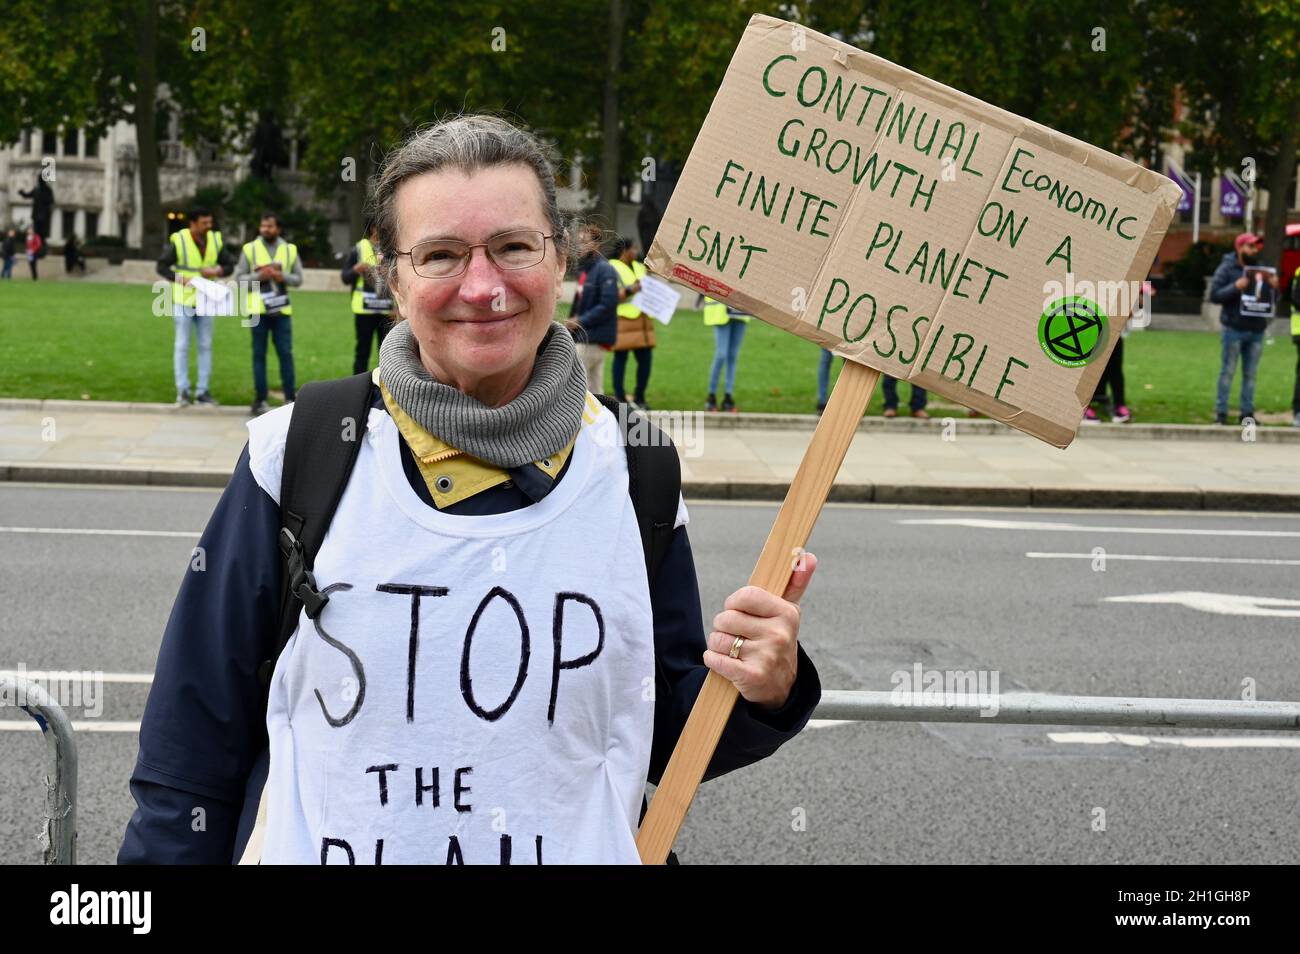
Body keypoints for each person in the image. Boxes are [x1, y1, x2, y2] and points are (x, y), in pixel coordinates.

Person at [118, 115, 821, 865]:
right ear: (392, 278)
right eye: (441, 255)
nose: (482, 288)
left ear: (561, 260)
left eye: (515, 247)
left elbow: (661, 739)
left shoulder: (636, 464)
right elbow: (188, 758)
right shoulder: (299, 452)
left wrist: (761, 689)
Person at [156, 206, 238, 406]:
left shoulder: (215, 240)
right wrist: (178, 278)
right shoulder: (180, 240)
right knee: (182, 345)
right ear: (193, 223)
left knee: (205, 346)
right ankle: (182, 391)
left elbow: (229, 265)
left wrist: (218, 270)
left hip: (207, 299)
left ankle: (203, 391)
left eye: (210, 222)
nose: (209, 226)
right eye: (204, 223)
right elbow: (162, 266)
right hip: (183, 300)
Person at [236, 212, 302, 416]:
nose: (265, 229)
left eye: (270, 226)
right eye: (263, 226)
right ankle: (260, 399)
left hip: (281, 311)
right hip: (257, 312)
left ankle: (291, 397)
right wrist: (259, 276)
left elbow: (298, 279)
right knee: (259, 355)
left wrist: (281, 276)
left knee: (285, 354)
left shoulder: (290, 250)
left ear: (278, 229)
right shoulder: (250, 249)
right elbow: (239, 279)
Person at [1210, 232, 1278, 424]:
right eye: (1250, 246)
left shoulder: (1262, 270)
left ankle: (1247, 413)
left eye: (1256, 247)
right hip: (1233, 328)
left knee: (1251, 374)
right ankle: (1221, 413)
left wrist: (1274, 287)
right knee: (1228, 371)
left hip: (1256, 329)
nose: (1254, 250)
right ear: (1239, 247)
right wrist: (1235, 287)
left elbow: (1271, 300)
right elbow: (1214, 295)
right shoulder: (1227, 268)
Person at [568, 228, 619, 393]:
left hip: (592, 338)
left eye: (584, 242)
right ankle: (602, 418)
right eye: (579, 242)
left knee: (575, 387)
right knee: (595, 390)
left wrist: (580, 321)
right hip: (585, 337)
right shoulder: (587, 270)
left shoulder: (604, 270)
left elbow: (608, 304)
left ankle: (579, 419)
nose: (580, 246)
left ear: (596, 244)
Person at [341, 221, 395, 374]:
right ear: (373, 228)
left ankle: (388, 389)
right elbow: (345, 277)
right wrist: (356, 269)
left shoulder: (392, 250)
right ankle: (358, 389)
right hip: (364, 309)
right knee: (362, 351)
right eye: (382, 228)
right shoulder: (358, 249)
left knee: (388, 353)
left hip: (387, 311)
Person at [609, 237, 655, 409]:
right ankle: (620, 397)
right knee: (621, 358)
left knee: (646, 361)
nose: (636, 252)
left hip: (643, 321)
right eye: (633, 249)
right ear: (624, 250)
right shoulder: (612, 267)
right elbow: (610, 295)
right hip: (623, 320)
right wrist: (630, 290)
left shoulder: (639, 267)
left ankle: (640, 397)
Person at [702, 295, 750, 412]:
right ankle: (711, 396)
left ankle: (728, 397)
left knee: (733, 356)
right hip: (720, 311)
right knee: (721, 354)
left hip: (740, 312)